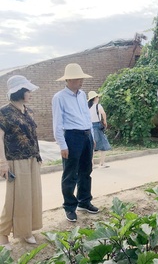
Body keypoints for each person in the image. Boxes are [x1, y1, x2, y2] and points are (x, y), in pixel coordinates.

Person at [52, 63, 99, 222]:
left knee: (86, 170)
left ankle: (84, 201)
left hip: (86, 136)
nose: (82, 81)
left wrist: (91, 136)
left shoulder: (81, 94)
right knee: (70, 173)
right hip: (71, 137)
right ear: (70, 79)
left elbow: (87, 116)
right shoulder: (59, 97)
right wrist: (62, 144)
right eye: (79, 78)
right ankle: (70, 206)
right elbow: (57, 123)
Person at [0, 75, 42, 250]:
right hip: (15, 160)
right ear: (19, 91)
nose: (30, 92)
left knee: (32, 197)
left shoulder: (28, 111)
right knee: (15, 198)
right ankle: (2, 234)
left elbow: (33, 135)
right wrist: (2, 163)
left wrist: (38, 156)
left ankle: (26, 231)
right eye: (27, 90)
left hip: (32, 158)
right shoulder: (4, 112)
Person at [88, 91, 111, 168]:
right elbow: (103, 113)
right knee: (104, 144)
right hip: (97, 126)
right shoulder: (98, 106)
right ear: (95, 98)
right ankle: (102, 163)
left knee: (92, 146)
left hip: (90, 126)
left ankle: (91, 164)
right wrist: (105, 121)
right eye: (97, 97)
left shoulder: (87, 107)